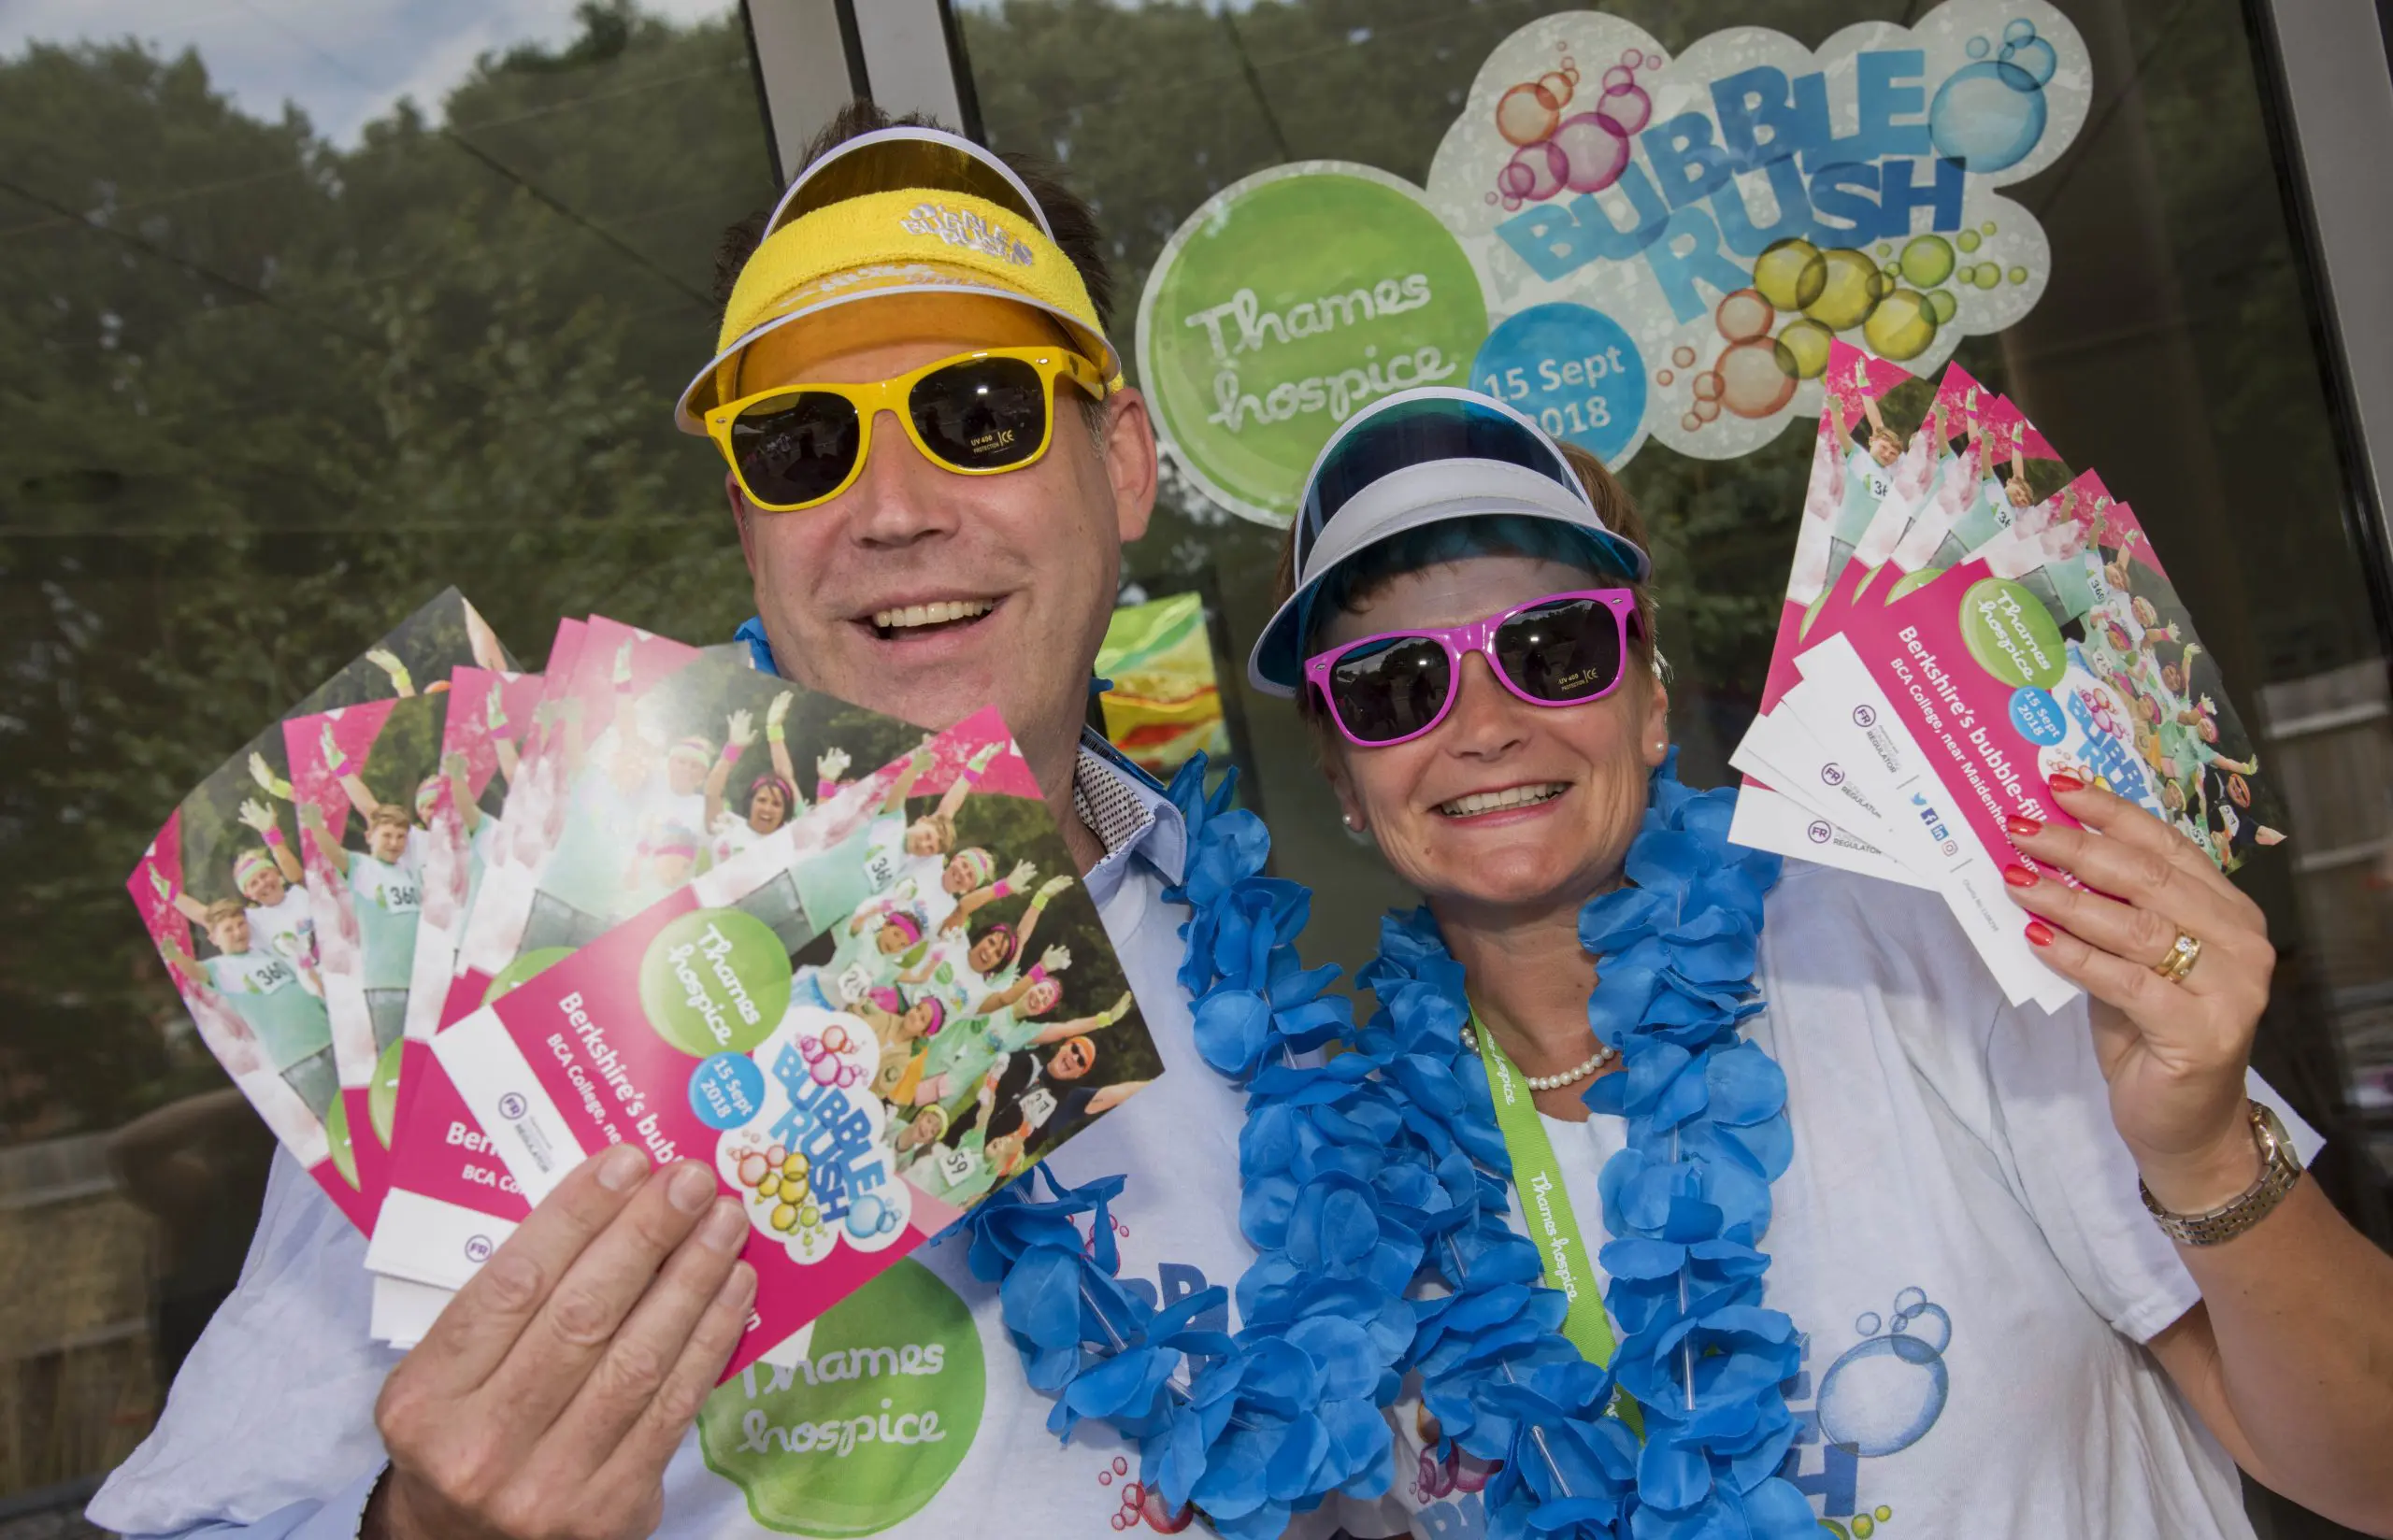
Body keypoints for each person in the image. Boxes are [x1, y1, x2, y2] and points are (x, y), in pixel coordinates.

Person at [90, 111, 1278, 1540]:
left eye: (981, 413)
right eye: (802, 446)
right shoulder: (506, 974)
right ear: (744, 520)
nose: (892, 511)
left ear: (1127, 463)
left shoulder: (1292, 1015)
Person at [1239, 386, 2393, 1537]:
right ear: (1342, 778)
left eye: (1555, 648)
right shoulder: (1362, 1191)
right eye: (1394, 683)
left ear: (1649, 700)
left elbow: (2370, 1471)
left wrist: (2200, 1157)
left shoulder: (1919, 939)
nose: (1484, 724)